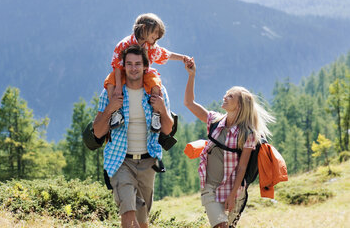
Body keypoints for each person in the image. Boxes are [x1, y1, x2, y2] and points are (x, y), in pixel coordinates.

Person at [183, 60, 275, 228]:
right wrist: (192, 75)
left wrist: (233, 195)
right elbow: (189, 103)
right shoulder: (214, 121)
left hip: (234, 191)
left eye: (230, 96)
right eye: (226, 94)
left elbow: (242, 167)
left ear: (239, 105)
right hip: (210, 187)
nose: (224, 97)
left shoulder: (248, 134)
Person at [93, 45, 174, 228]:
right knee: (128, 213)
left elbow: (167, 130)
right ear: (123, 66)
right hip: (120, 161)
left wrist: (161, 109)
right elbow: (98, 132)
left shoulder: (158, 92)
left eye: (138, 64)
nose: (133, 68)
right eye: (129, 64)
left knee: (142, 221)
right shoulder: (111, 93)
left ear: (146, 66)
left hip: (148, 161)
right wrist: (110, 108)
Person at [104, 13, 190, 132]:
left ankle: (156, 115)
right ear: (144, 28)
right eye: (155, 32)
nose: (157, 36)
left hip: (144, 73)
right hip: (124, 72)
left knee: (155, 82)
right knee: (110, 82)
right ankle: (116, 113)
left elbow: (165, 54)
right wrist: (118, 86)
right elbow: (117, 66)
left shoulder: (150, 46)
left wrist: (183, 58)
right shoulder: (124, 44)